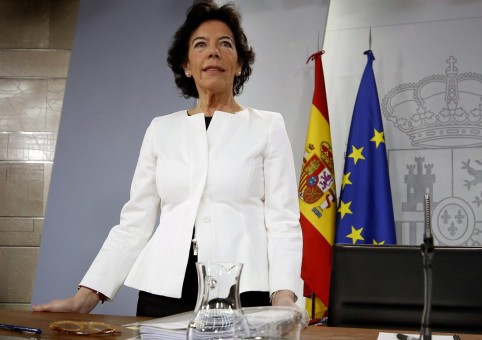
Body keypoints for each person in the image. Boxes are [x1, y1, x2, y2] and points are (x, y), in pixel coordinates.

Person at [33, 1, 302, 317]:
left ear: (239, 63)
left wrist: (284, 294)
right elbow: (135, 222)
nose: (213, 52)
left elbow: (283, 220)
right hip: (164, 291)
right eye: (200, 45)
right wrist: (88, 294)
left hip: (243, 290)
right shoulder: (161, 130)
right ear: (187, 64)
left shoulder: (268, 126)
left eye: (225, 44)